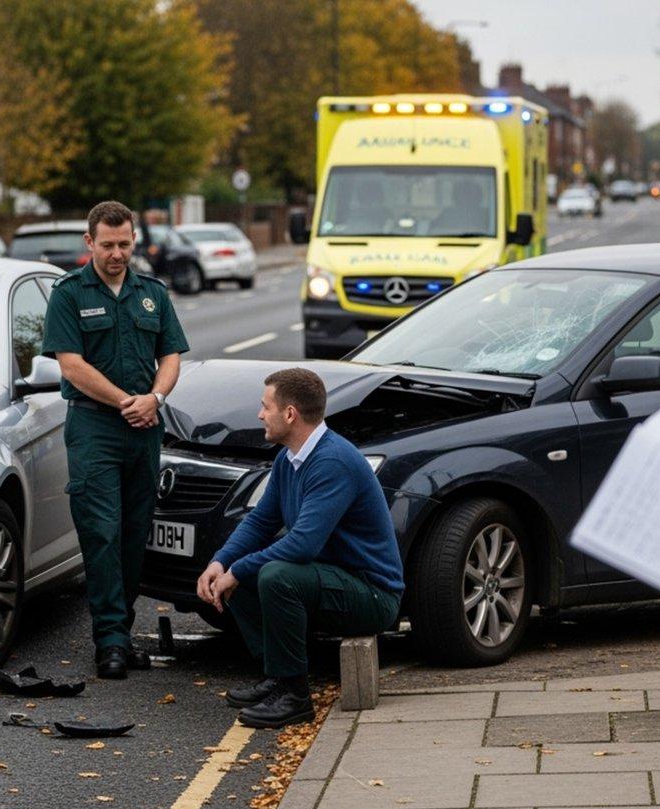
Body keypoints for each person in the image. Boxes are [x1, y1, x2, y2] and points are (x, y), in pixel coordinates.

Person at [194, 368, 403, 728]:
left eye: (265, 407)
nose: (260, 415)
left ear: (289, 414)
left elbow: (303, 544)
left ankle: (294, 697)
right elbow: (261, 521)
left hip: (371, 592)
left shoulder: (331, 461)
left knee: (274, 574)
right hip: (331, 579)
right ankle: (276, 677)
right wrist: (221, 562)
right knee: (244, 569)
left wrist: (238, 571)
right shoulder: (289, 458)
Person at [42, 201, 189, 680]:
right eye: (108, 245)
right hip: (94, 429)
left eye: (125, 243)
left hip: (144, 429)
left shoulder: (152, 293)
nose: (117, 253)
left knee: (133, 533)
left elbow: (170, 354)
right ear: (90, 243)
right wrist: (129, 400)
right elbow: (72, 365)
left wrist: (156, 397)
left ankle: (121, 636)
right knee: (101, 533)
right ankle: (109, 640)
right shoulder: (69, 293)